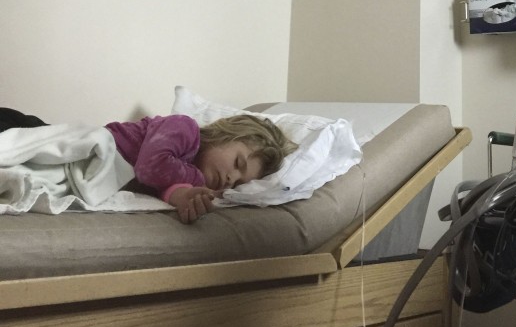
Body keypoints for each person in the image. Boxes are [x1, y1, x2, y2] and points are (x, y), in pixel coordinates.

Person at [0, 109, 298, 223]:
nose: (230, 179)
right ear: (224, 134)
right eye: (237, 163)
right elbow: (150, 168)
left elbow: (165, 186)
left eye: (237, 184)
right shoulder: (185, 129)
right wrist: (194, 182)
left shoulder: (181, 172)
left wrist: (181, 196)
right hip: (75, 145)